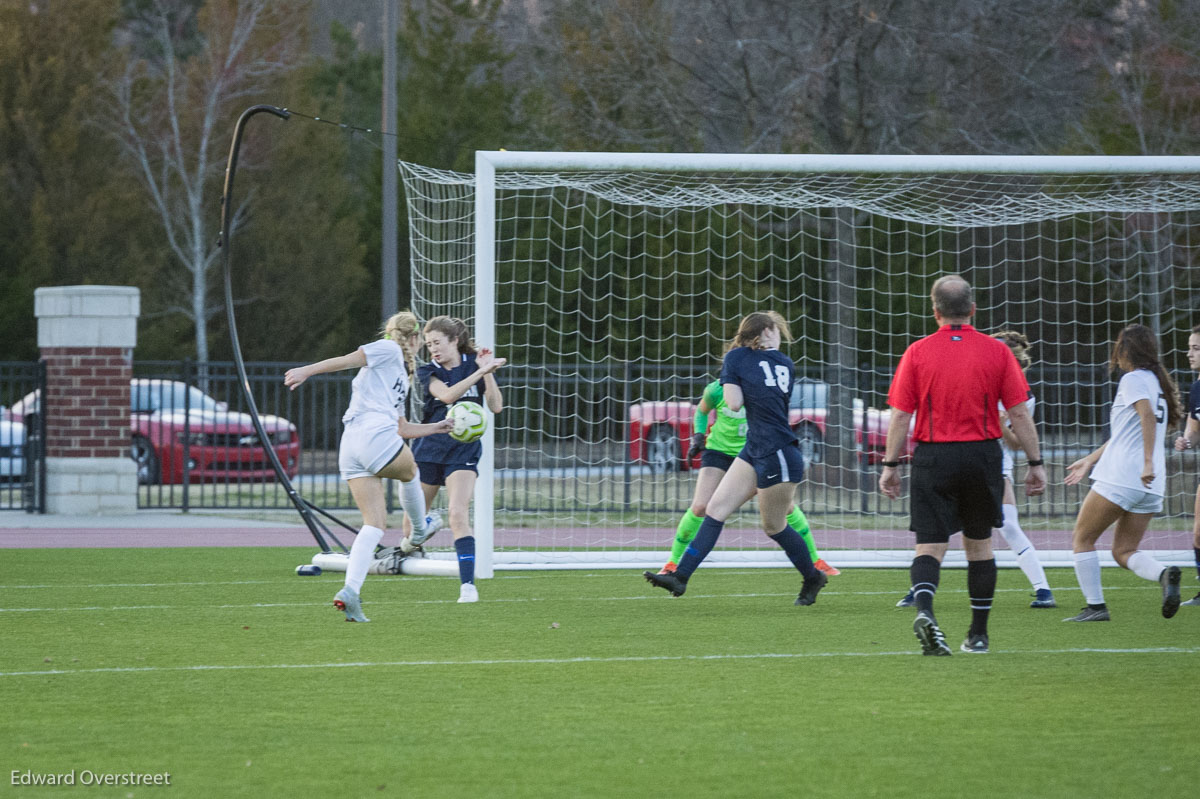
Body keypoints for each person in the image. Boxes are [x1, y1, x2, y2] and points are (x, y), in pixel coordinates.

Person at [879, 276, 1046, 655]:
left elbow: (901, 417)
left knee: (930, 546)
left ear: (935, 311)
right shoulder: (998, 352)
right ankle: (978, 634)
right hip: (982, 455)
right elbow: (1018, 413)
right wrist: (1035, 463)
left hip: (934, 457)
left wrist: (890, 465)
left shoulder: (918, 352)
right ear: (972, 309)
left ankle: (926, 612)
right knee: (980, 546)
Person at [644, 312, 828, 606]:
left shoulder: (737, 357)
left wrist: (732, 376)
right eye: (777, 330)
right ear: (766, 331)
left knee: (774, 527)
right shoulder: (784, 362)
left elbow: (733, 402)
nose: (780, 336)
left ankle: (813, 575)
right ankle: (680, 577)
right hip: (757, 448)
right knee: (714, 509)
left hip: (776, 452)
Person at [283, 311, 453, 622]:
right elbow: (349, 359)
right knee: (411, 470)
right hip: (373, 436)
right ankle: (420, 529)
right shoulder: (388, 349)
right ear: (413, 338)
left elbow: (401, 427)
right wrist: (307, 370)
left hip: (352, 446)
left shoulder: (401, 376)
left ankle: (350, 591)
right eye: (421, 341)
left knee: (373, 524)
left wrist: (437, 427)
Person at [893, 330, 1055, 609]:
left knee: (1006, 527)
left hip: (992, 464)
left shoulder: (1022, 394)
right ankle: (919, 589)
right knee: (941, 531)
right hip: (963, 458)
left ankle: (1043, 589)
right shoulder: (978, 376)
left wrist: (1003, 427)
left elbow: (1017, 441)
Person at [658, 376, 838, 577]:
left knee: (785, 508)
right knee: (700, 506)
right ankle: (672, 563)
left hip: (752, 454)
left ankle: (816, 560)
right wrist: (699, 436)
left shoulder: (760, 390)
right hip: (719, 453)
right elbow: (701, 411)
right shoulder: (717, 389)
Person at [1063, 323, 1183, 621]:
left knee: (1082, 538)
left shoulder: (1133, 379)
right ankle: (1164, 574)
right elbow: (1126, 433)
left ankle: (1096, 607)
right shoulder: (1157, 383)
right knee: (1123, 550)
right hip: (1150, 486)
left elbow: (1144, 418)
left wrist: (1146, 463)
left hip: (1125, 475)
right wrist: (1089, 459)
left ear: (1125, 350)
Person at [402, 316, 505, 604]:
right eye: (429, 344)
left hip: (464, 451)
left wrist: (487, 372)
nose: (432, 349)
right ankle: (428, 523)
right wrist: (479, 371)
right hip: (430, 449)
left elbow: (495, 406)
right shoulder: (427, 371)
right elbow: (447, 397)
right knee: (411, 533)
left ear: (454, 341)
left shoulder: (476, 366)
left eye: (437, 343)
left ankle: (468, 587)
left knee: (458, 514)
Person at [1173, 323, 1200, 607]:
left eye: (1196, 348)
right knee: (1199, 531)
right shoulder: (1197, 387)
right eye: (1189, 348)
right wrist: (1186, 440)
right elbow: (1194, 429)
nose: (1189, 354)